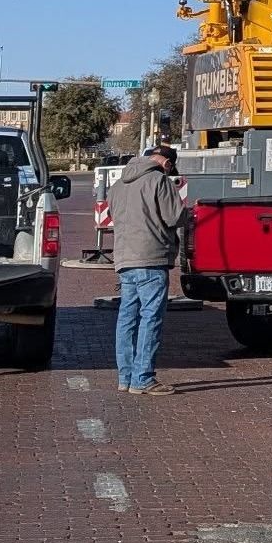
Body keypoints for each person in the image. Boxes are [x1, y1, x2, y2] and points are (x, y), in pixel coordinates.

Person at [111, 143, 185, 395]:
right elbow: (174, 216)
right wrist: (189, 215)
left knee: (126, 318)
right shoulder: (159, 181)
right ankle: (143, 378)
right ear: (167, 163)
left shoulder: (119, 184)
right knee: (151, 318)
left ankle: (125, 377)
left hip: (124, 258)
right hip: (151, 258)